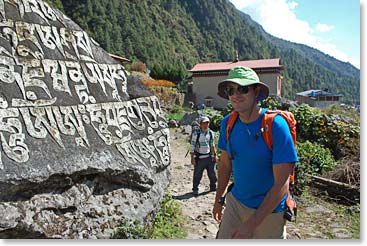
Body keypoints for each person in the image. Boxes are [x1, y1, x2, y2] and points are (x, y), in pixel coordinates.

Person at [212, 66, 298, 239]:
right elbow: (225, 165)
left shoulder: (276, 126)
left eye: (243, 89)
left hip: (269, 211)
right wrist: (218, 199)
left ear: (256, 91)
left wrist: (251, 224)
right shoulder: (228, 123)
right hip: (236, 202)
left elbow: (281, 184)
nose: (236, 95)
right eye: (231, 90)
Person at [190, 116, 218, 196]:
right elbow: (192, 146)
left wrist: (215, 155)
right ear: (200, 124)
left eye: (207, 123)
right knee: (197, 174)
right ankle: (195, 189)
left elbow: (212, 145)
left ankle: (213, 186)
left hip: (209, 157)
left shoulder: (211, 133)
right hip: (200, 158)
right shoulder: (196, 134)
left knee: (213, 174)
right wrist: (192, 158)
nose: (206, 125)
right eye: (204, 123)